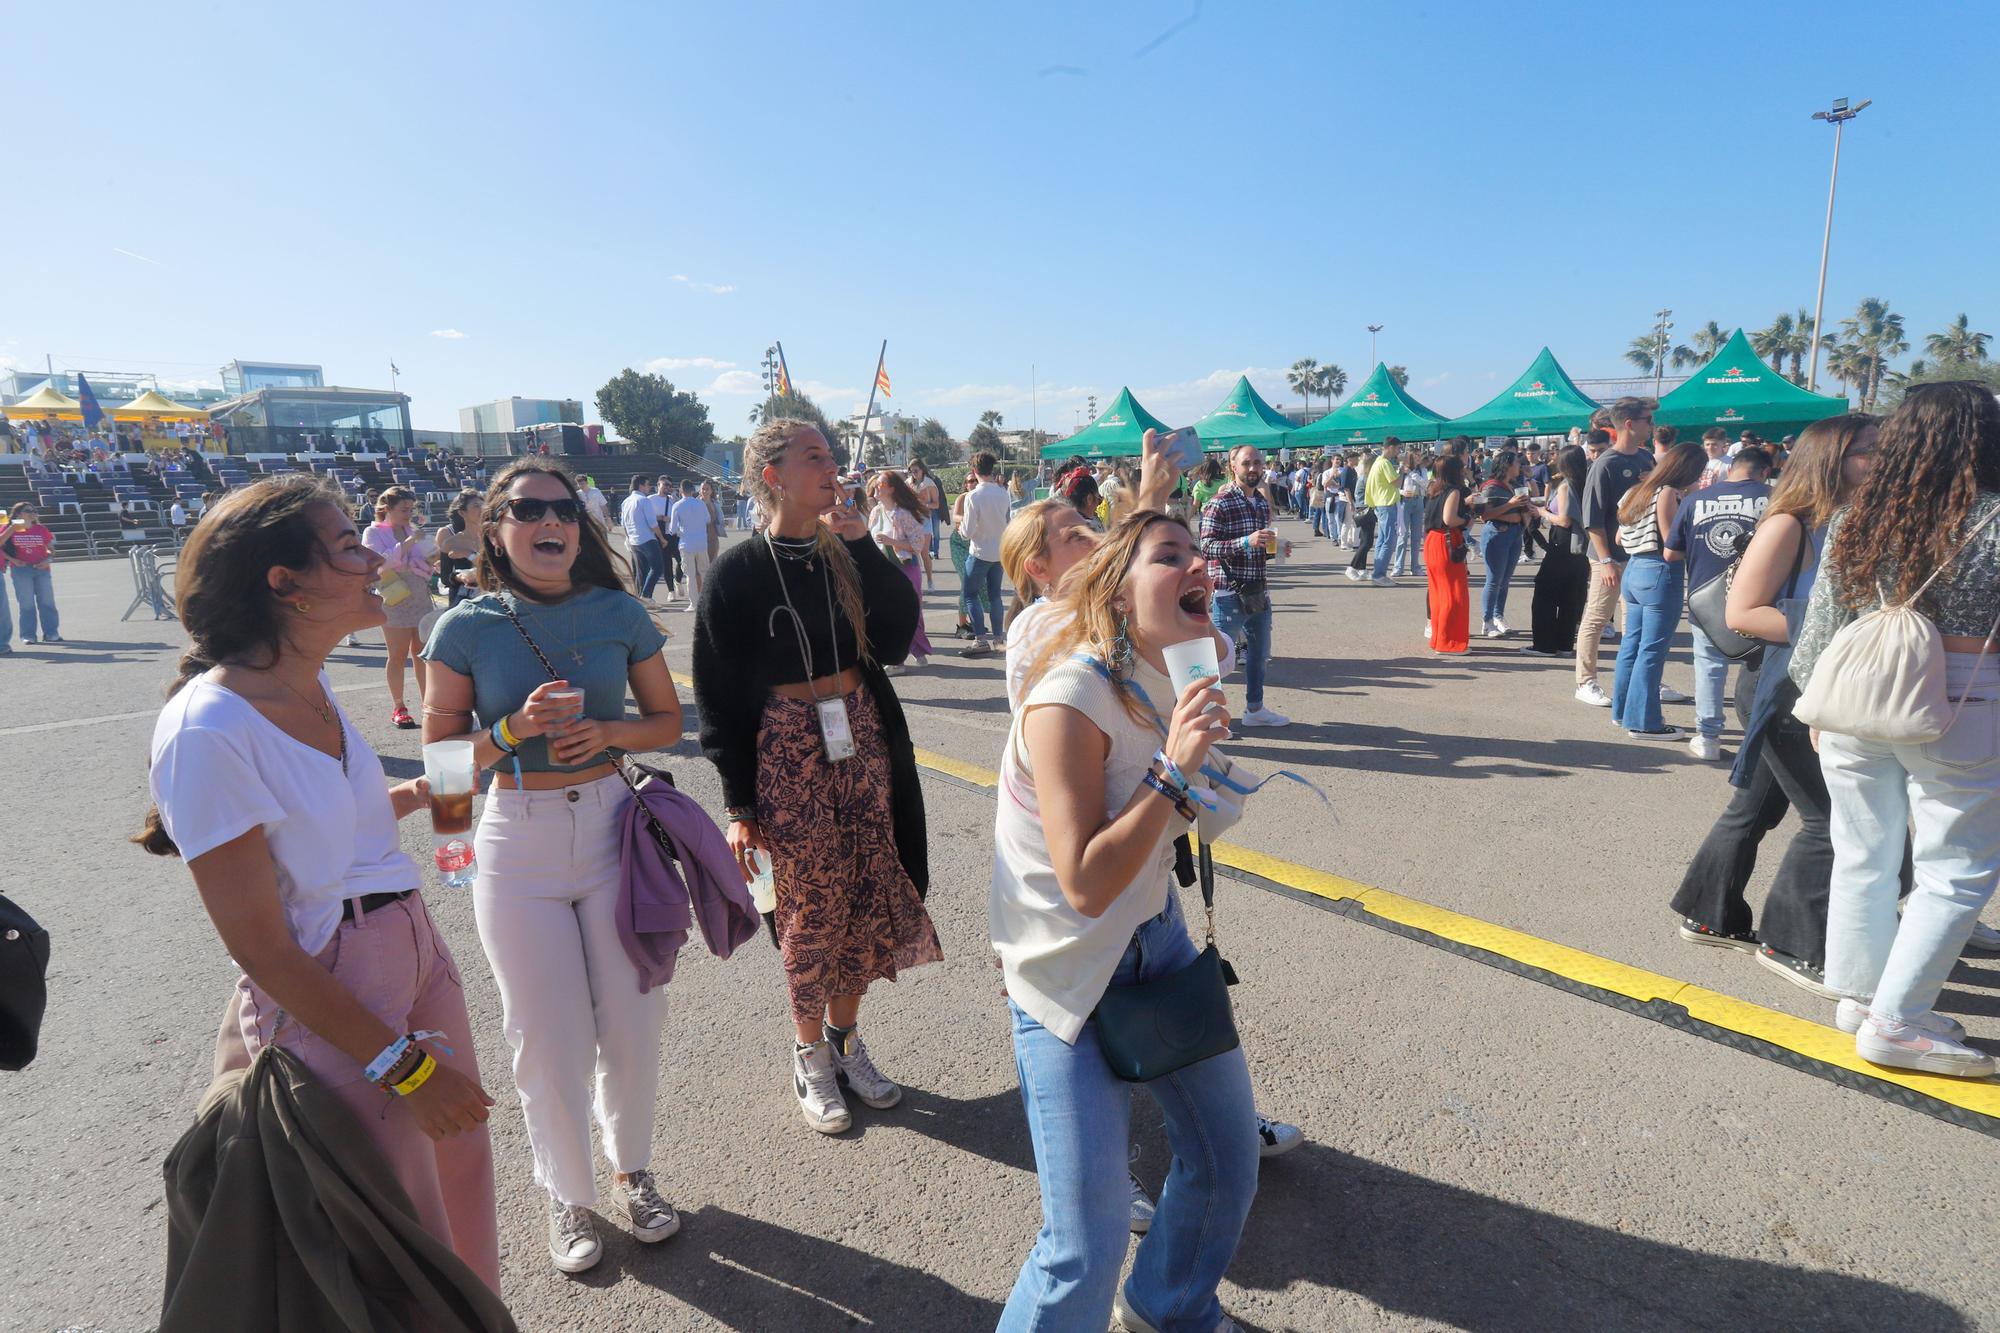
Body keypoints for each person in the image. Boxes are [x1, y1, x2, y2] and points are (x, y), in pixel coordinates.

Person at [133, 477, 500, 1294]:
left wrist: (491, 745)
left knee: (459, 1183)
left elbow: (360, 819)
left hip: (410, 951)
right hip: (332, 995)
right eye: (347, 547)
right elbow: (261, 946)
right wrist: (403, 1066)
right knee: (390, 1231)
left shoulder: (313, 682)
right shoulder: (209, 729)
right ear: (283, 583)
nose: (372, 557)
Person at [995, 511, 1261, 1333]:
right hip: (1065, 971)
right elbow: (1084, 881)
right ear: (1116, 588)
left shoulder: (1179, 668)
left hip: (1158, 937)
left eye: (1200, 556)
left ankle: (1166, 1305)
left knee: (1228, 1160)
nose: (1201, 569)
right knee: (1087, 1239)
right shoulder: (1068, 698)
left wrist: (1201, 763)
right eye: (1171, 557)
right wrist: (1177, 771)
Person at [421, 458, 687, 1273]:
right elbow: (440, 763)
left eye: (564, 509)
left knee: (634, 1024)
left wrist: (610, 734)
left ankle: (631, 1170)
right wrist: (509, 734)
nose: (552, 522)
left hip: (612, 827)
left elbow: (668, 721)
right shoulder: (464, 626)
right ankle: (568, 1193)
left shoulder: (618, 611)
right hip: (518, 837)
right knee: (547, 1036)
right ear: (495, 530)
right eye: (529, 509)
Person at [694, 420, 943, 1135]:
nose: (832, 467)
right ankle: (808, 1053)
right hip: (785, 745)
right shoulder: (737, 572)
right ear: (771, 474)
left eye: (832, 456)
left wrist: (863, 543)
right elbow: (715, 693)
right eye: (815, 458)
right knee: (808, 900)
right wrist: (739, 802)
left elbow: (895, 637)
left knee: (866, 883)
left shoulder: (843, 552)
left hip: (860, 731)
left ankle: (846, 1039)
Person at [1791, 383, 2000, 1077]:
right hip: (1967, 692)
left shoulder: (1862, 516)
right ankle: (1899, 1020)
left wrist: (1816, 704)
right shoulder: (1995, 518)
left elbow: (1821, 621)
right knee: (1956, 865)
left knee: (1864, 852)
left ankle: (1862, 996)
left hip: (1857, 690)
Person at [1672, 417, 1879, 983]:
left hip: (1811, 681)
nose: (1881, 460)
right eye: (1869, 451)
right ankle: (1790, 944)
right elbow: (1742, 612)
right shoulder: (1789, 522)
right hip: (1782, 687)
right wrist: (1843, 629)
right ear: (1830, 459)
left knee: (1754, 808)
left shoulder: (1851, 519)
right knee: (1828, 820)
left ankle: (1708, 915)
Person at [1665, 447, 1773, 760]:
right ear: (1764, 471)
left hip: (1706, 600)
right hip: (1762, 600)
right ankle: (1762, 736)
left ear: (1731, 468)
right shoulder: (1777, 499)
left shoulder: (1695, 500)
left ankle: (1708, 736)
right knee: (1762, 669)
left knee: (1710, 667)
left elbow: (1672, 552)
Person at [1609, 442, 1706, 739]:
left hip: (1635, 570)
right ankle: (1644, 721)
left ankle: (1623, 711)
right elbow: (1670, 547)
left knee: (1632, 645)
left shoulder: (1635, 492)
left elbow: (1620, 538)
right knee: (1651, 650)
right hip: (1659, 573)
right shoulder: (1665, 493)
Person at [1199, 443, 1290, 728]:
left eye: (1257, 463)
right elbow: (1205, 547)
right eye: (1247, 463)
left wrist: (1279, 548)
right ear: (1233, 467)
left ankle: (1255, 709)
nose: (1253, 468)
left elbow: (1261, 546)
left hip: (1257, 590)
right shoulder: (1220, 502)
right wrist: (1244, 542)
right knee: (1217, 660)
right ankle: (1208, 716)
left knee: (1259, 655)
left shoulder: (1261, 502)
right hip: (1228, 592)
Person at [1575, 399, 1657, 707]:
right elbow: (1592, 520)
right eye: (1648, 420)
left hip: (1639, 554)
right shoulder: (1605, 464)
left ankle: (1644, 679)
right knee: (1596, 619)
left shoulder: (1647, 458)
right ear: (1629, 424)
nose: (1652, 426)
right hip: (1608, 557)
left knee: (1635, 620)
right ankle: (1585, 681)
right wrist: (1606, 560)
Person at [360, 487, 435, 728]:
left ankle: (428, 704)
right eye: (404, 509)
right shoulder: (373, 531)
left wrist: (434, 555)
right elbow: (380, 563)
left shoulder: (410, 530)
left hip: (419, 595)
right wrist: (410, 542)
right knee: (398, 655)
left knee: (422, 654)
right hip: (394, 597)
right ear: (387, 509)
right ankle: (399, 706)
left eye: (411, 509)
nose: (408, 513)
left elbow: (425, 560)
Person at [1526, 444, 1592, 658]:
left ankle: (1544, 644)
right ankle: (1565, 644)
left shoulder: (1566, 485)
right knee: (1571, 597)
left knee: (1545, 594)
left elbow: (1564, 520)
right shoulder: (1586, 482)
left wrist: (1542, 512)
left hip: (1563, 543)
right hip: (1581, 546)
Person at [868, 470, 932, 668]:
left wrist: (892, 541)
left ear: (892, 489)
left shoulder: (902, 513)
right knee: (890, 615)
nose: (876, 488)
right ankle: (897, 660)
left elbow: (918, 544)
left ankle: (918, 651)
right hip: (883, 570)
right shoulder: (876, 512)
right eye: (876, 485)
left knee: (910, 611)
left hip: (905, 567)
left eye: (881, 485)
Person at [1475, 452, 1534, 637]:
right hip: (1497, 533)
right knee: (1494, 580)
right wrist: (1510, 504)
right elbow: (1484, 515)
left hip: (1515, 533)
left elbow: (1527, 503)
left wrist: (1527, 508)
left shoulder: (1516, 485)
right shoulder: (1490, 487)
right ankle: (1487, 621)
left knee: (1505, 580)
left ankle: (1498, 616)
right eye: (1517, 463)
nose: (1520, 466)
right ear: (1508, 465)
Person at [960, 452, 1012, 657]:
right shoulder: (1002, 493)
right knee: (995, 596)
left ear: (975, 471)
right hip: (999, 551)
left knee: (971, 595)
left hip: (979, 551)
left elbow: (967, 531)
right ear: (992, 470)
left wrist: (961, 529)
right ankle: (999, 638)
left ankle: (981, 638)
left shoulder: (973, 496)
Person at [1424, 455, 1472, 654]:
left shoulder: (1433, 489)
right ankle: (1449, 641)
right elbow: (1449, 518)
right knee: (1454, 593)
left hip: (1433, 540)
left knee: (1438, 593)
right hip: (1447, 540)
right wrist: (1466, 519)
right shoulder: (1453, 491)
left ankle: (1439, 638)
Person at [4, 503, 60, 644]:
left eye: (34, 510)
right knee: (26, 604)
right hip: (21, 570)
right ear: (18, 514)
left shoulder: (41, 529)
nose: (32, 513)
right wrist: (13, 560)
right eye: (28, 510)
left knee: (47, 602)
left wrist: (48, 560)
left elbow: (51, 550)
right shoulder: (12, 529)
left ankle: (51, 633)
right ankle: (28, 635)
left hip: (42, 569)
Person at [667, 478, 714, 612]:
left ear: (681, 490)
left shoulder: (677, 506)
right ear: (693, 490)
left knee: (690, 575)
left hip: (686, 543)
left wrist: (681, 530)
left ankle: (694, 603)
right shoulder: (700, 504)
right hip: (701, 542)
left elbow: (672, 529)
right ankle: (707, 601)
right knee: (704, 572)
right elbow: (708, 520)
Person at [433, 490, 484, 608]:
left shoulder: (494, 538)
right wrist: (460, 577)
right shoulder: (450, 543)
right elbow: (445, 578)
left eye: (484, 505)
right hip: (461, 602)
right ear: (462, 513)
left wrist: (469, 555)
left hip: (492, 598)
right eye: (476, 506)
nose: (482, 509)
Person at [1365, 437, 1404, 585]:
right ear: (1391, 447)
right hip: (1387, 504)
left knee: (1382, 541)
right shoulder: (1385, 463)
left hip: (1380, 504)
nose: (1398, 451)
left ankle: (1377, 572)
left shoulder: (1377, 462)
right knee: (1388, 541)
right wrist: (1402, 471)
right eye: (1398, 448)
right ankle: (1379, 574)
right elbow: (1397, 482)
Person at [620, 475, 663, 599]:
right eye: (648, 484)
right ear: (641, 485)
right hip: (647, 538)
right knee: (658, 568)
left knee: (641, 571)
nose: (649, 487)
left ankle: (638, 597)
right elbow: (652, 523)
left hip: (634, 540)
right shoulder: (643, 500)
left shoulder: (626, 501)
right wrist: (661, 538)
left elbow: (624, 524)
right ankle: (646, 595)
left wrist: (629, 538)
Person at [907, 458, 944, 590]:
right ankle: (914, 582)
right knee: (911, 552)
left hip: (924, 520)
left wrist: (923, 504)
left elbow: (936, 504)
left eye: (916, 471)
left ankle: (929, 580)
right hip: (910, 521)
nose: (914, 474)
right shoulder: (908, 483)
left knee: (924, 552)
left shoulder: (930, 484)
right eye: (911, 471)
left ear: (922, 470)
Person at [1395, 450, 1427, 578]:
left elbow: (1426, 485)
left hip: (1418, 501)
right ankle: (1398, 567)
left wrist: (1412, 473)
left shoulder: (1421, 471)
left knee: (1416, 536)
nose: (1418, 458)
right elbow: (1395, 487)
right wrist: (1402, 492)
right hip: (1405, 502)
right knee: (1402, 536)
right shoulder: (1401, 469)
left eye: (1419, 455)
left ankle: (1415, 567)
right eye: (1415, 456)